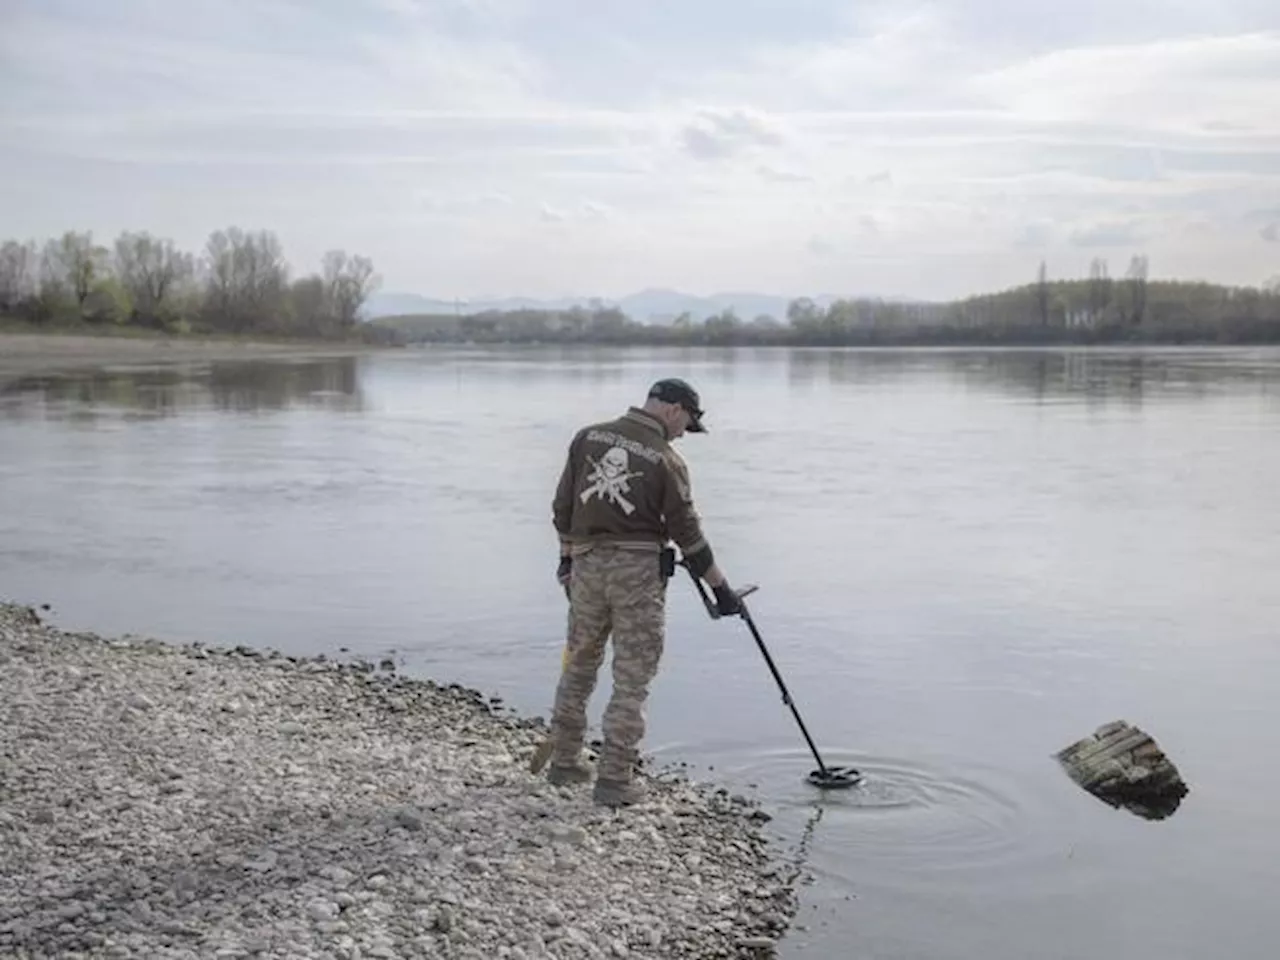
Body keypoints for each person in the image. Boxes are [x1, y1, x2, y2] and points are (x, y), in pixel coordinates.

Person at [546, 377, 744, 807]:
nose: (683, 435)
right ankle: (614, 780)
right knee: (632, 677)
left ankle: (563, 763)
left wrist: (566, 560)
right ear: (674, 409)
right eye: (686, 425)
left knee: (579, 663)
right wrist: (722, 590)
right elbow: (687, 535)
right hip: (636, 573)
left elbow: (563, 507)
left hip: (585, 565)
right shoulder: (666, 460)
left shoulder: (586, 437)